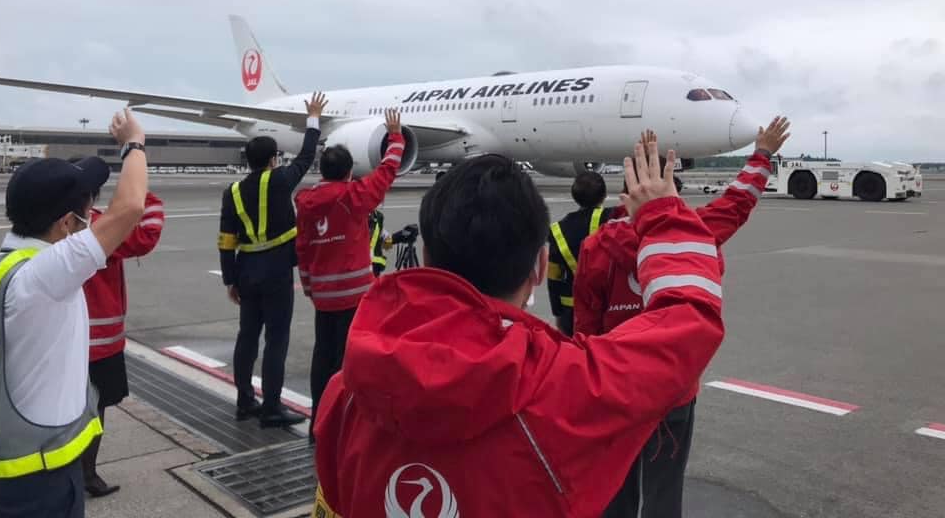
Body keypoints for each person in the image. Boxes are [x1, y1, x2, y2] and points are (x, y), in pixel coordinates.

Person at [312, 140, 726, 517]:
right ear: (540, 267)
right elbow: (689, 317)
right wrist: (663, 215)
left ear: (425, 253)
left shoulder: (344, 393)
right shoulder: (571, 387)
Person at [574, 117, 791, 518]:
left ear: (626, 194)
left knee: (613, 488)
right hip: (671, 386)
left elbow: (586, 324)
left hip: (615, 386)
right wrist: (762, 154)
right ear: (672, 192)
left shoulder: (596, 246)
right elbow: (737, 202)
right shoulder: (696, 231)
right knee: (665, 490)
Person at [0, 109, 148, 518]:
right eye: (88, 211)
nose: (93, 218)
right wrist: (134, 143)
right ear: (65, 224)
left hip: (11, 465)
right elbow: (130, 207)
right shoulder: (45, 275)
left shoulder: (1, 269)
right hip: (35, 478)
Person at [295, 108, 405, 442]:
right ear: (348, 172)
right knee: (351, 360)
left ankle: (318, 423)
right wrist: (396, 137)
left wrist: (309, 286)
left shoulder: (306, 202)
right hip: (355, 294)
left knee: (323, 356)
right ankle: (345, 425)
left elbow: (303, 248)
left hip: (323, 295)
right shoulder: (353, 197)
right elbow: (386, 171)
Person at [218, 92, 327, 428]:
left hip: (246, 271)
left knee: (247, 337)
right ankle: (271, 407)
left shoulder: (232, 192)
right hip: (277, 270)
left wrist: (230, 279)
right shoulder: (280, 180)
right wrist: (313, 120)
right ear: (273, 159)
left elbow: (226, 240)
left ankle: (244, 402)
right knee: (276, 340)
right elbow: (307, 156)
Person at [81, 182, 165, 497]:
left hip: (66, 338)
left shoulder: (50, 224)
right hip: (98, 340)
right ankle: (88, 473)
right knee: (96, 407)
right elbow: (146, 235)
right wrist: (142, 191)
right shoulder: (99, 226)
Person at [547, 171, 613, 336]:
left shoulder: (557, 231)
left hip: (571, 311)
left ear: (574, 196)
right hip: (608, 307)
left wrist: (558, 313)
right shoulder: (612, 220)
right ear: (604, 195)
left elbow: (554, 278)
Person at [368, 207, 390, 277]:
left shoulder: (379, 217)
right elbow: (388, 246)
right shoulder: (378, 217)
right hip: (374, 265)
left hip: (373, 265)